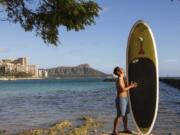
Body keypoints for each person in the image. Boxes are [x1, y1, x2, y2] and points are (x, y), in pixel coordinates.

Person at [112, 67, 137, 135]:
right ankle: (114, 131)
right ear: (118, 72)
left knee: (125, 115)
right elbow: (123, 89)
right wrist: (131, 86)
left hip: (126, 98)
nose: (122, 69)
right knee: (120, 115)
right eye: (121, 69)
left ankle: (125, 129)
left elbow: (127, 86)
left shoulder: (123, 78)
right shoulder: (119, 79)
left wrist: (132, 84)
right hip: (121, 99)